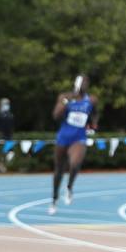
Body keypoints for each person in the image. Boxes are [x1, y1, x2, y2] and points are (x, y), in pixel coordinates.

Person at [49, 79, 98, 213]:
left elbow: (94, 114)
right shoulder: (65, 97)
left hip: (79, 138)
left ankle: (69, 187)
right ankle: (54, 199)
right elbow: (55, 115)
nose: (82, 86)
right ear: (75, 84)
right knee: (59, 170)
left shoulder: (91, 100)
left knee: (75, 163)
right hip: (63, 137)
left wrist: (93, 125)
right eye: (80, 83)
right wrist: (66, 103)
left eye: (85, 84)